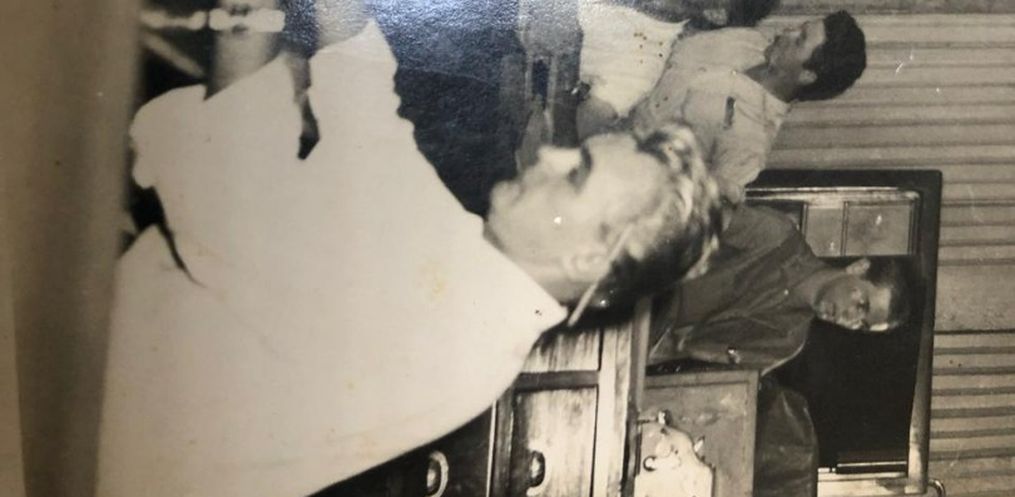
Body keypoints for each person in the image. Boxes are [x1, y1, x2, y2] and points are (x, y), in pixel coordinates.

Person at [96, 2, 723, 496]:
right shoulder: (473, 272)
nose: (553, 155)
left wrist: (252, 18)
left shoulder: (459, 331)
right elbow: (371, 126)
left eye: (577, 174)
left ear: (586, 259)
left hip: (90, 424)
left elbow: (228, 209)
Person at [648, 204, 910, 497]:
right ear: (858, 267)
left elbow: (706, 380)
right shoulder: (776, 237)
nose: (850, 319)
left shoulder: (787, 341)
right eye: (861, 304)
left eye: (861, 325)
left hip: (641, 351)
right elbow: (689, 217)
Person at [628, 10, 867, 204]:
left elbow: (701, 208)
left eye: (799, 40)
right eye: (799, 27)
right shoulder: (750, 40)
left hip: (623, 158)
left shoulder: (752, 141)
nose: (786, 31)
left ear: (806, 75)